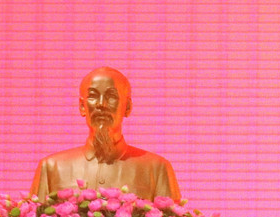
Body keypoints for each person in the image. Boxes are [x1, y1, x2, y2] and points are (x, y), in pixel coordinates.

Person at [31, 67, 180, 201]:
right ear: (82, 106)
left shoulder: (156, 169)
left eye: (111, 96)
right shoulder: (52, 168)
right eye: (93, 96)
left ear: (127, 107)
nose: (101, 104)